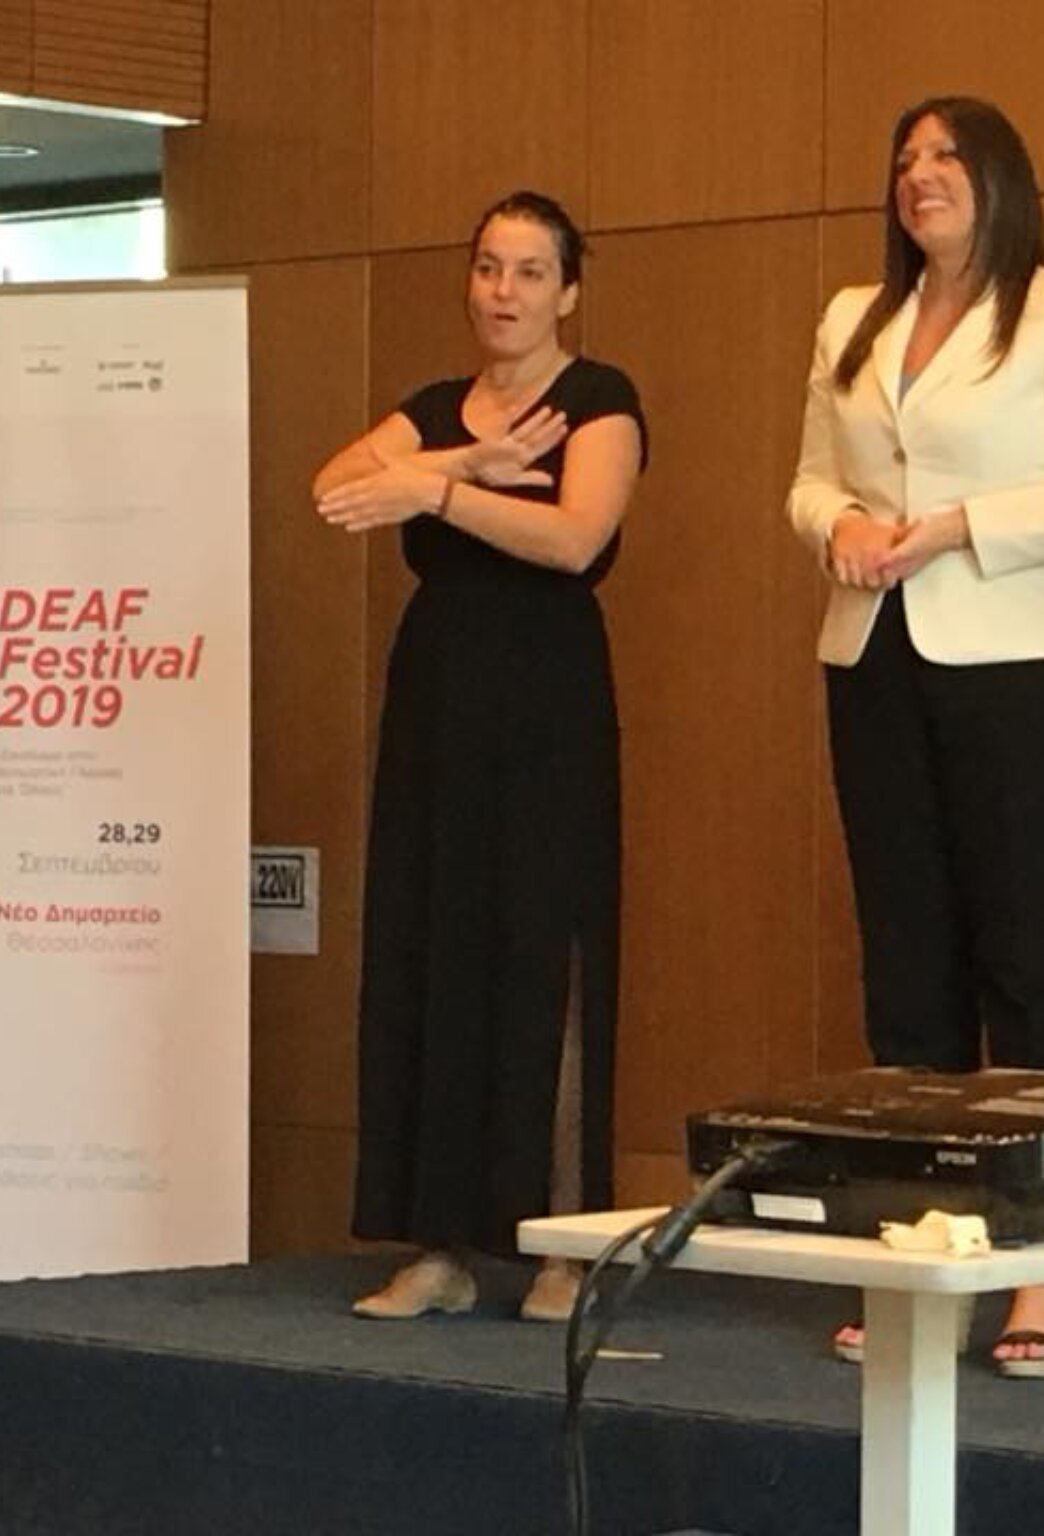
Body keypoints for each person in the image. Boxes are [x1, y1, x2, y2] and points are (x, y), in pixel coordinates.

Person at [787, 96, 1044, 1378]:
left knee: (1028, 958)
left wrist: (953, 527)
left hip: (1022, 666)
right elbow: (810, 478)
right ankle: (921, 1251)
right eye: (903, 159)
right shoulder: (853, 317)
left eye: (943, 156)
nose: (918, 175)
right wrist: (835, 524)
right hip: (873, 657)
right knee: (906, 963)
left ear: (999, 177)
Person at [312, 191, 646, 1324]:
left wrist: (436, 491)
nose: (503, 291)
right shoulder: (431, 409)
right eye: (488, 268)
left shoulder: (598, 399)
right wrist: (455, 460)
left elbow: (573, 538)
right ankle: (440, 1247)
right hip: (438, 695)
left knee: (545, 948)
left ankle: (561, 1250)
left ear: (568, 292)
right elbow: (334, 487)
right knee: (432, 943)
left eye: (530, 272)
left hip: (547, 697)